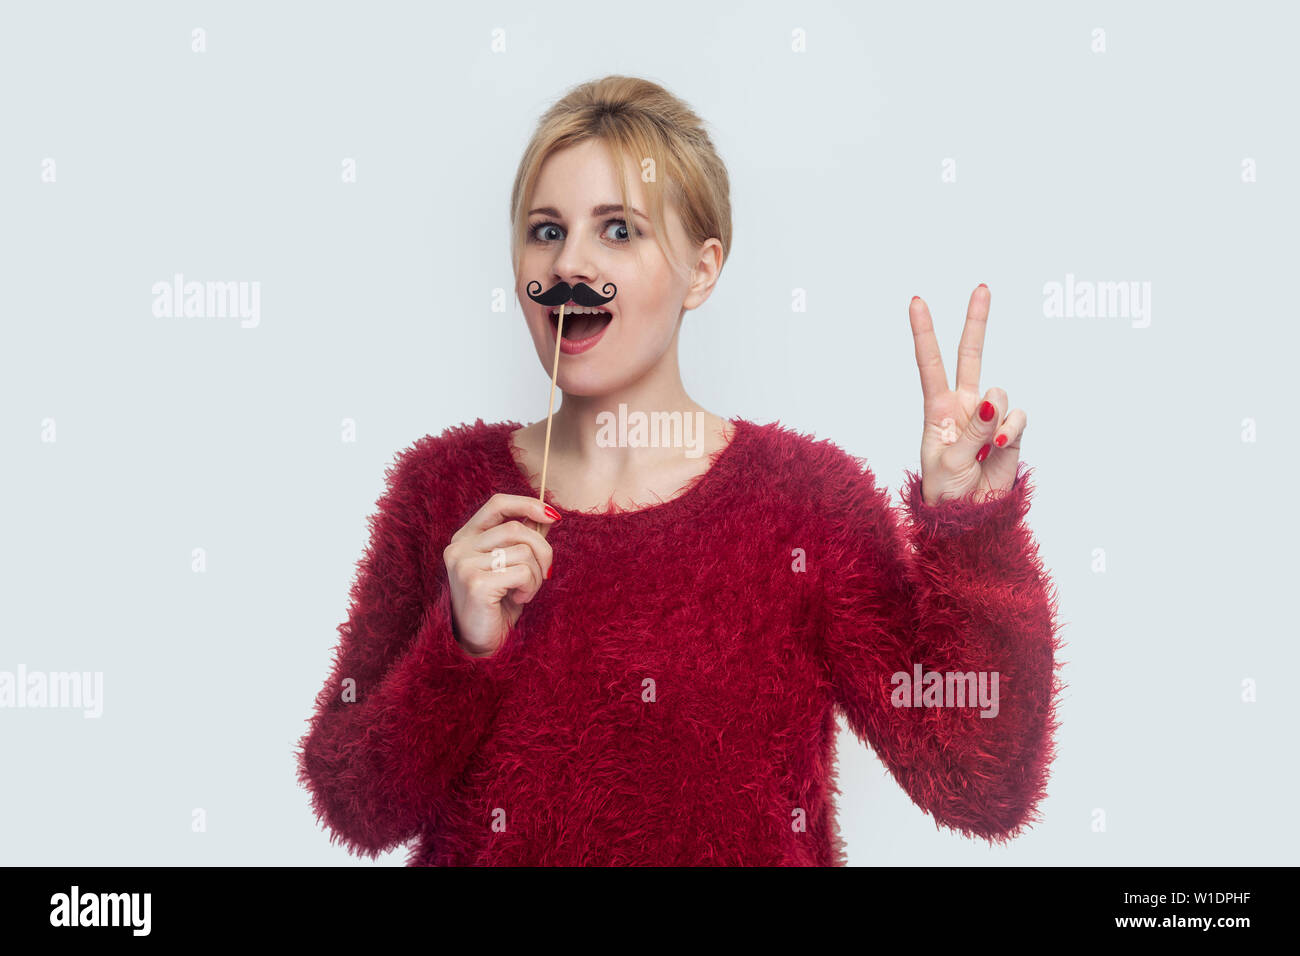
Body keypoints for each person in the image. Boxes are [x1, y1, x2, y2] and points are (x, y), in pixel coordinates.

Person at [295, 75, 1062, 866]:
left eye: (619, 231)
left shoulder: (808, 506)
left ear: (702, 270)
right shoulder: (442, 493)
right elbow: (355, 805)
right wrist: (460, 648)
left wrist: (973, 531)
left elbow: (982, 782)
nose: (571, 265)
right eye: (546, 230)